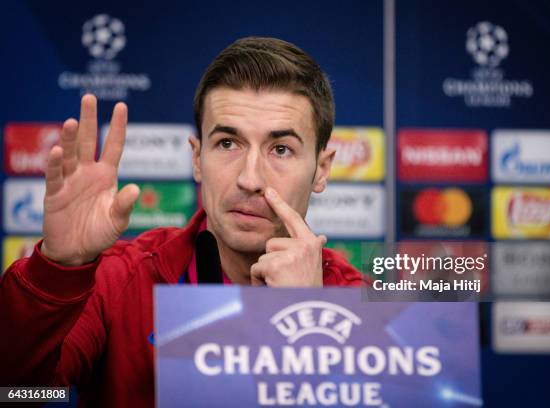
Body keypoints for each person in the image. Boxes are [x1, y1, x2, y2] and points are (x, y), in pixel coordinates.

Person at [0, 37, 365, 406]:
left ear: (321, 169)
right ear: (196, 157)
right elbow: (15, 395)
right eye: (227, 143)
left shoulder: (359, 305)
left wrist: (306, 319)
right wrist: (57, 272)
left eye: (281, 149)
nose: (250, 179)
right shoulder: (120, 281)